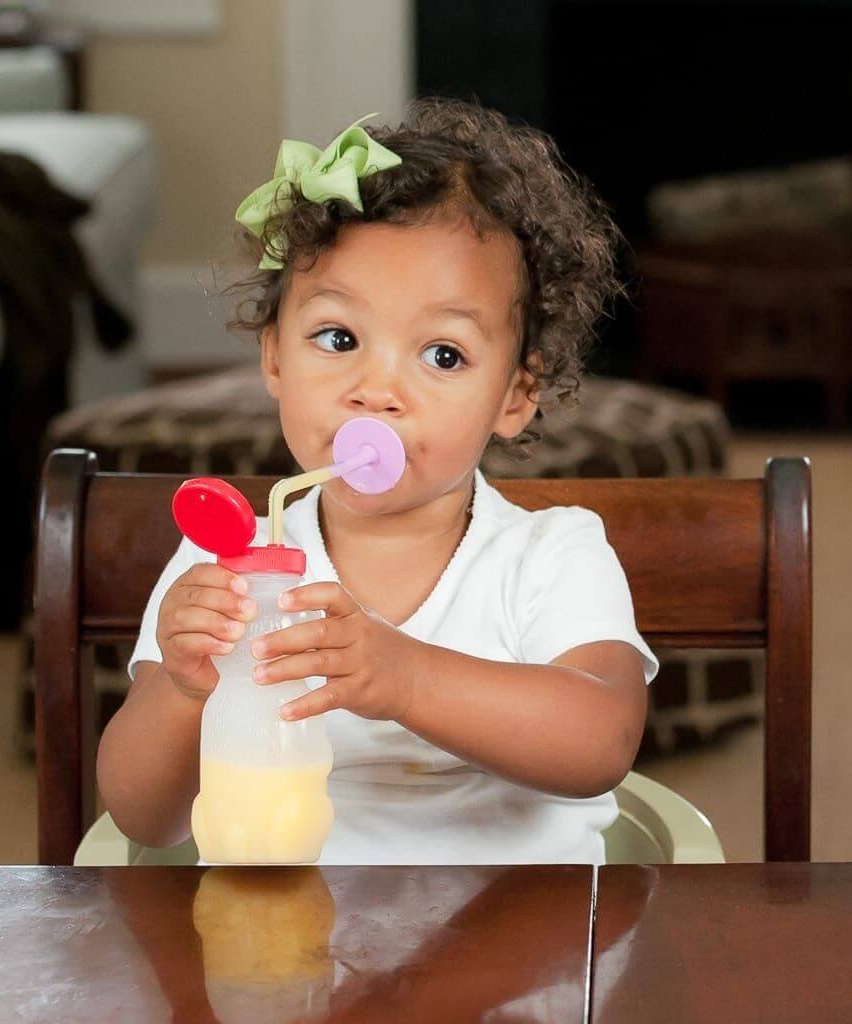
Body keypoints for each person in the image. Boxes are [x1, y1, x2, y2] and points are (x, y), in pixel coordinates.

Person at [97, 97, 658, 864]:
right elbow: (142, 819)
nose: (376, 389)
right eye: (338, 338)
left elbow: (602, 742)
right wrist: (185, 692)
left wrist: (406, 679)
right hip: (288, 949)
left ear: (516, 396)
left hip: (515, 952)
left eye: (443, 355)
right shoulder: (224, 566)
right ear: (273, 359)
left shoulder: (551, 557)